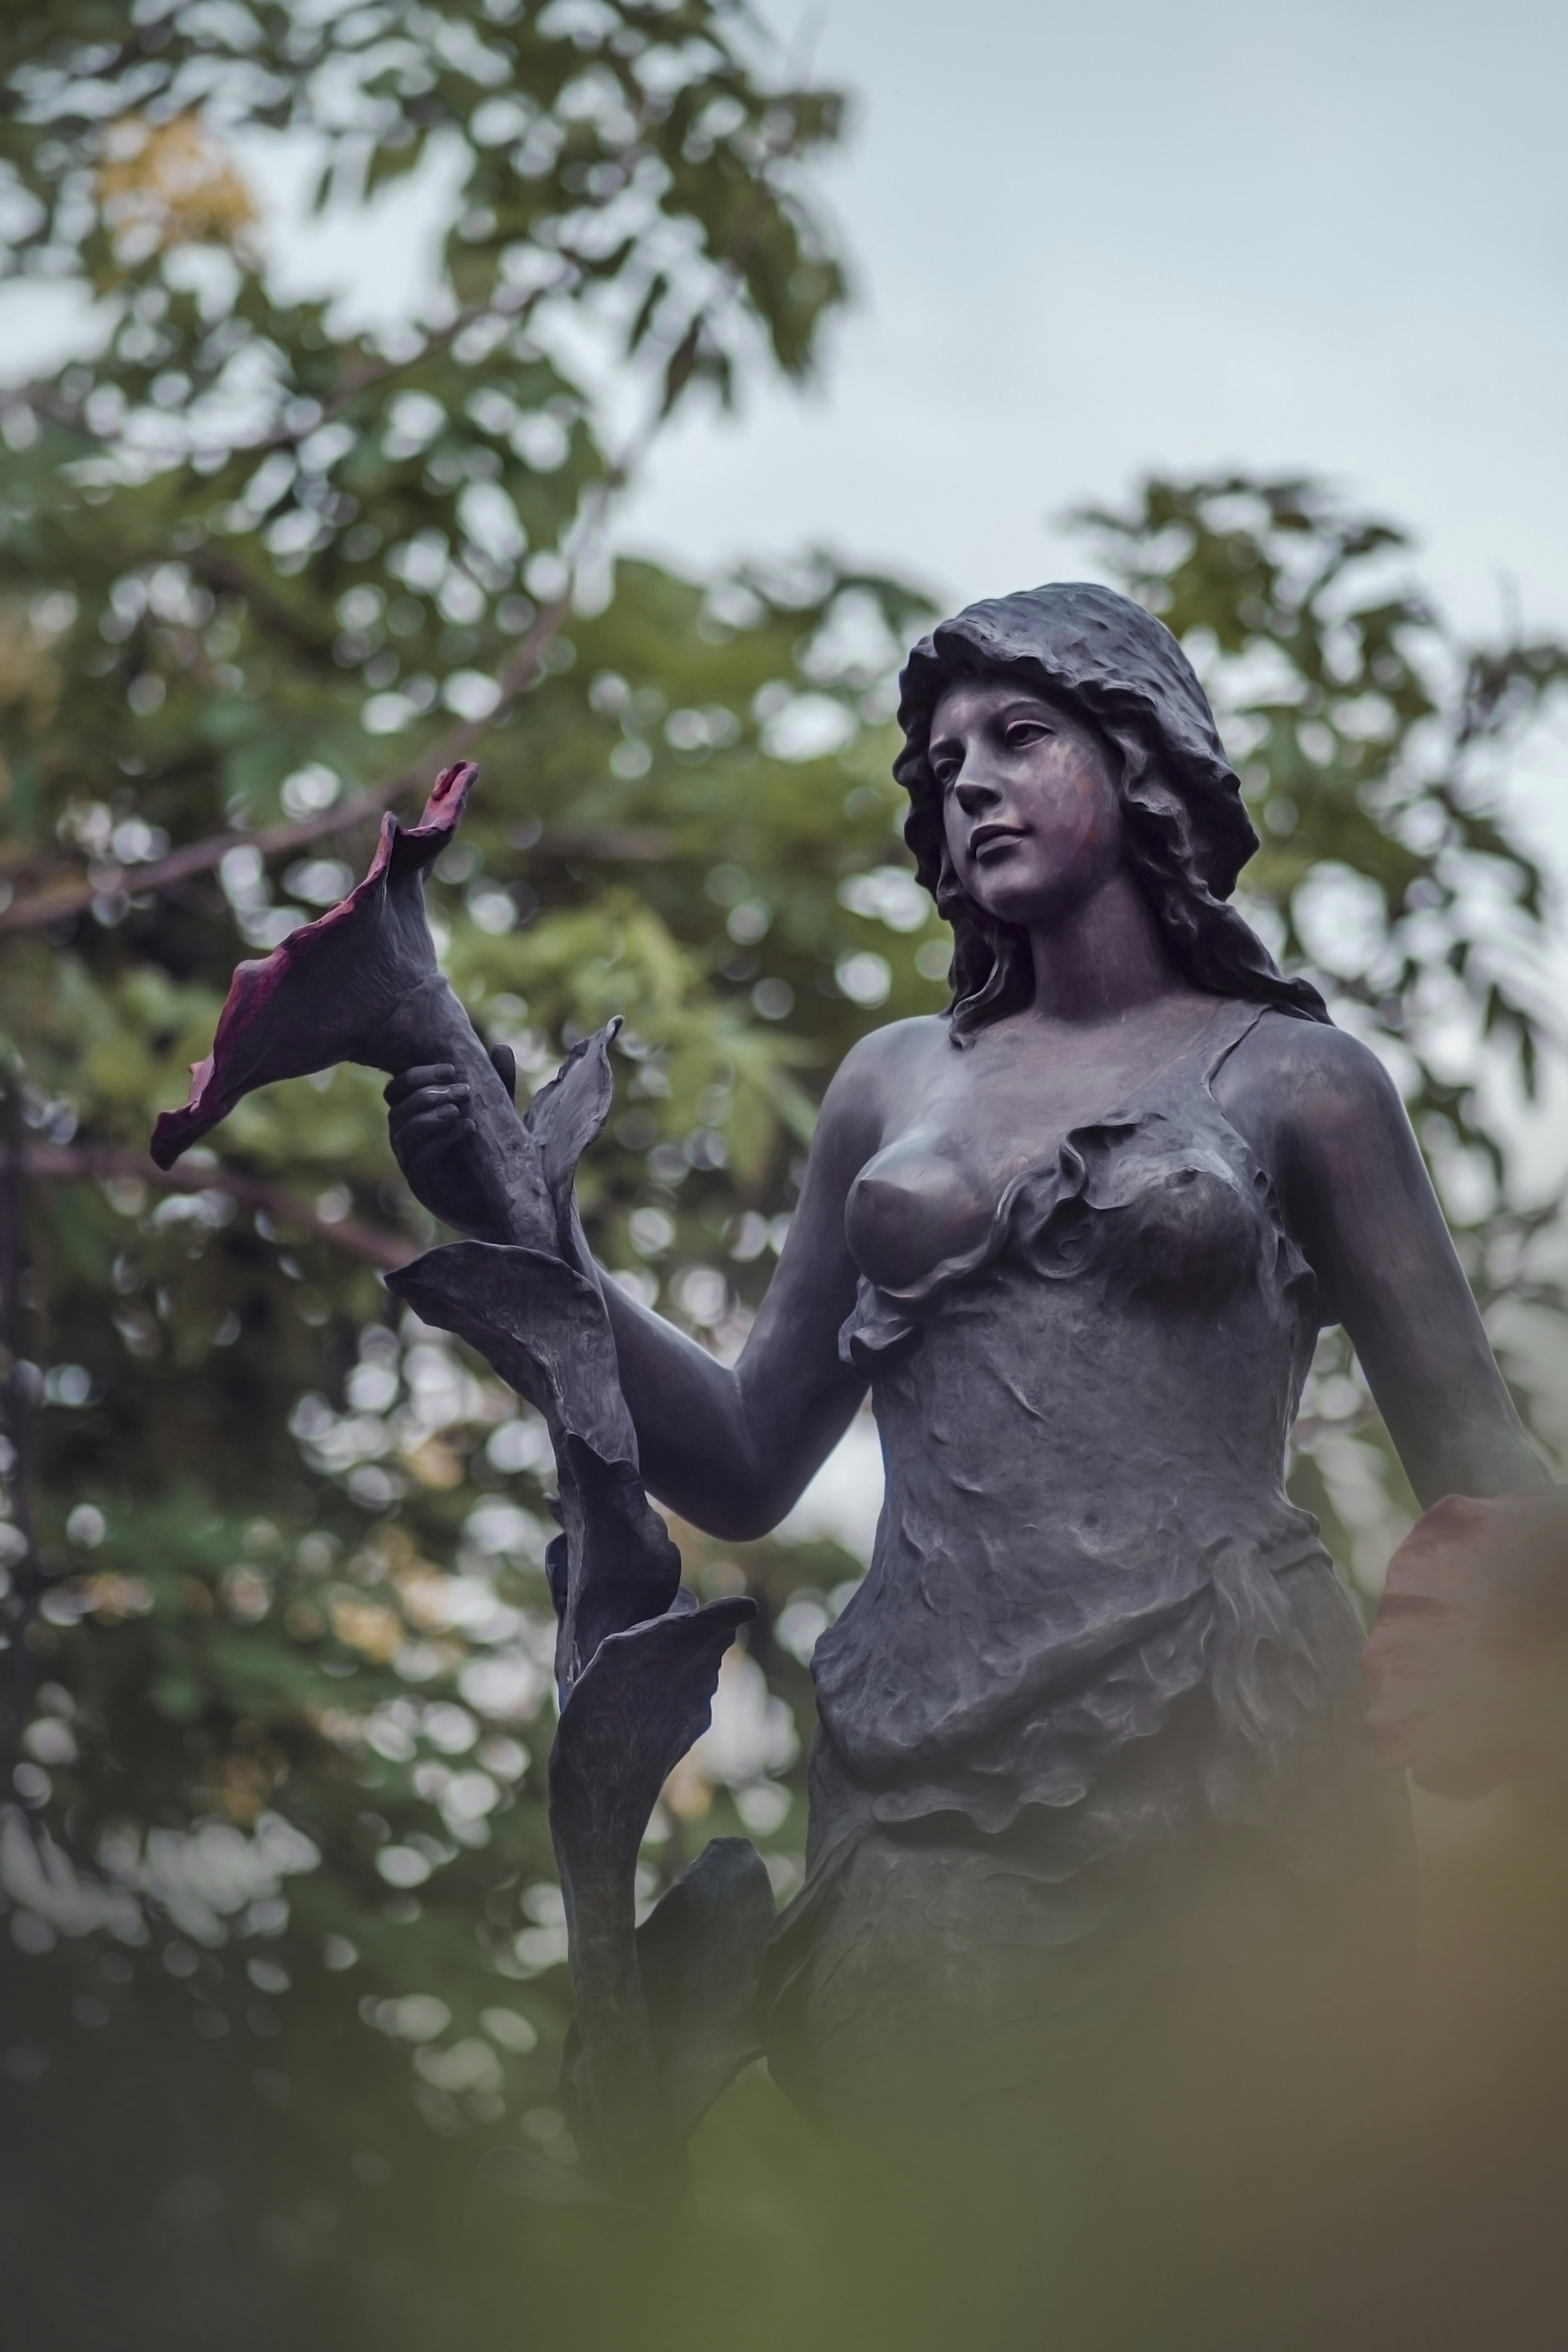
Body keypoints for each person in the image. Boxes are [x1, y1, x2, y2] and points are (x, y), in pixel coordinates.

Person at [387, 585, 1547, 2342]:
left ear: (1138, 762)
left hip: (1226, 1751)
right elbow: (744, 1463)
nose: (970, 789)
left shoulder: (1301, 1084)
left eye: (1021, 740)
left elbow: (1482, 1465)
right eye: (940, 769)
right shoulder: (887, 1084)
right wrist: (518, 1225)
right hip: (922, 1761)